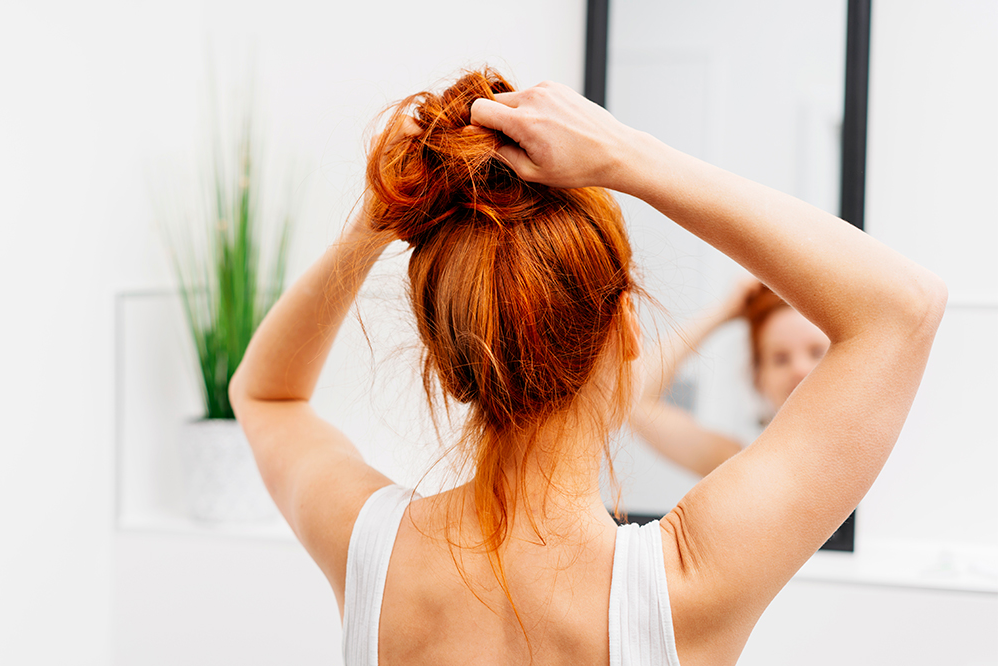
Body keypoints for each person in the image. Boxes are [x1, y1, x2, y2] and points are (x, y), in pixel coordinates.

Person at [228, 69, 946, 666]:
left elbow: (265, 395)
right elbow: (902, 309)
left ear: (449, 368)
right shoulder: (682, 587)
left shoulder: (371, 552)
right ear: (627, 329)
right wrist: (626, 155)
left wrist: (374, 218)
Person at [630, 278, 831, 477]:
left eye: (817, 352)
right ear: (758, 377)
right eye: (780, 359)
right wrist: (722, 313)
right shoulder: (741, 462)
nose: (800, 369)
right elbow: (636, 402)